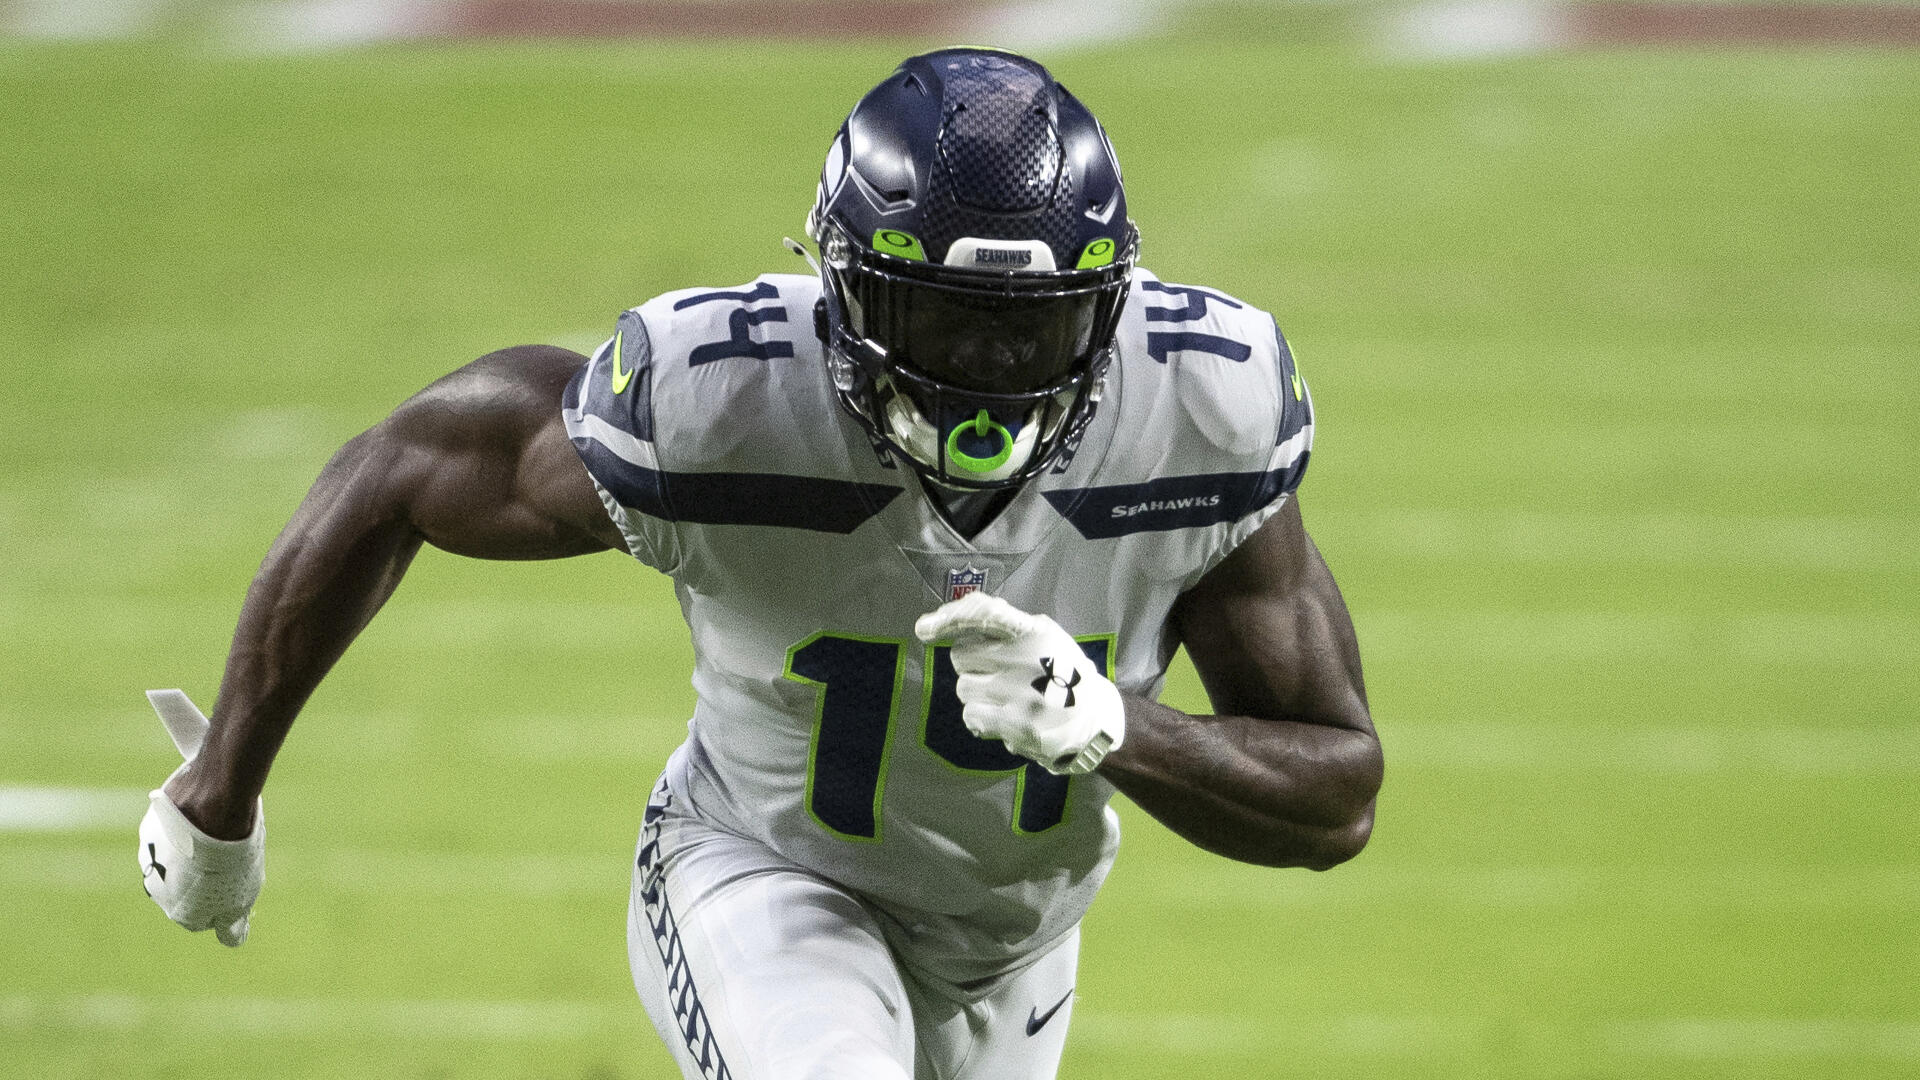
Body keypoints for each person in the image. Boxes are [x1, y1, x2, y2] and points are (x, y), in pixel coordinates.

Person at [137, 47, 1382, 1079]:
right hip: (760, 869)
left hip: (1017, 941)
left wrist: (1114, 725)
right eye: (942, 317)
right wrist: (220, 791)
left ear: (1111, 307)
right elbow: (399, 471)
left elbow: (1336, 798)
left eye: (1034, 326)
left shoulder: (1198, 413)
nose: (989, 372)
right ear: (841, 289)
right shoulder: (722, 407)